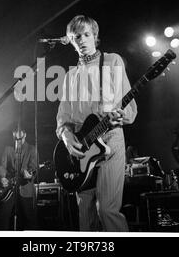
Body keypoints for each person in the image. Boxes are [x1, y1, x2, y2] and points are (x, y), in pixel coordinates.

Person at [56, 15, 138, 232]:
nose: (81, 40)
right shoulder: (70, 76)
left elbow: (129, 106)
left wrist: (123, 114)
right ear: (71, 41)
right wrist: (66, 135)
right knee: (86, 217)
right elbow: (63, 118)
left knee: (107, 211)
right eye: (75, 37)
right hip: (82, 148)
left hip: (110, 138)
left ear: (95, 36)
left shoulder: (112, 61)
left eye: (86, 34)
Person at [0, 129, 37, 230]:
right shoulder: (8, 149)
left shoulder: (32, 149)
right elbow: (2, 166)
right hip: (10, 188)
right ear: (13, 134)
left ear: (25, 134)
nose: (17, 136)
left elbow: (34, 167)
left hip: (25, 188)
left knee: (29, 219)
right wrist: (3, 178)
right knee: (3, 217)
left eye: (20, 132)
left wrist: (30, 175)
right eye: (15, 132)